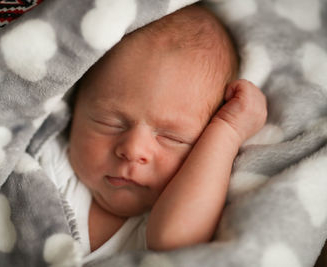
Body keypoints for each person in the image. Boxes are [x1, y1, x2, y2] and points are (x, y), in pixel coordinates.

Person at [39, 3, 267, 263]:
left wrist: (228, 131)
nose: (134, 150)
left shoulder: (166, 216)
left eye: (172, 138)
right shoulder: (45, 159)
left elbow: (176, 241)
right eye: (110, 122)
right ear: (75, 104)